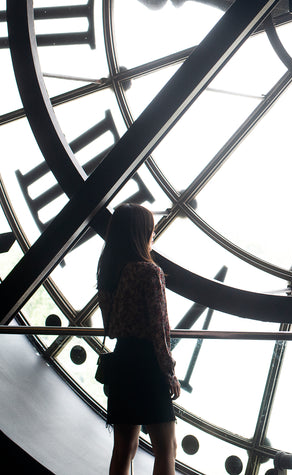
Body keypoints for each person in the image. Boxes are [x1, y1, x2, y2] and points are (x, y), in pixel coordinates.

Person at [97, 203, 181, 475]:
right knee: (166, 451)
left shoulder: (109, 271)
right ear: (141, 233)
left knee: (123, 451)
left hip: (122, 363)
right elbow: (159, 329)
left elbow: (110, 327)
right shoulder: (149, 271)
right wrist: (169, 372)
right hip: (147, 366)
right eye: (150, 229)